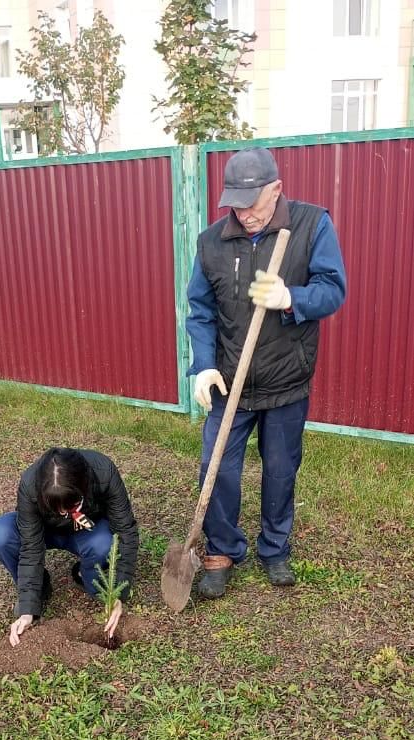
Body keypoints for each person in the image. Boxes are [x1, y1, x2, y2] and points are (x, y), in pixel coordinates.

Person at [186, 147, 346, 597]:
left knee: (279, 470)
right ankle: (221, 550)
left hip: (286, 380)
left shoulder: (312, 226)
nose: (245, 214)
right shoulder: (212, 241)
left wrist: (292, 297)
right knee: (217, 469)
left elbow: (333, 290)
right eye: (235, 203)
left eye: (252, 204)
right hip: (230, 381)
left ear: (276, 189)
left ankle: (274, 549)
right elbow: (200, 310)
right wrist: (203, 366)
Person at [0, 447, 138, 647]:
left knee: (105, 544)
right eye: (55, 507)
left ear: (83, 485)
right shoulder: (30, 484)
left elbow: (125, 531)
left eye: (70, 505)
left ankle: (89, 577)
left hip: (88, 531)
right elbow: (30, 547)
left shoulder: (103, 471)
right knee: (0, 534)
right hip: (46, 532)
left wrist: (118, 594)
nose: (63, 513)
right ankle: (40, 587)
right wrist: (27, 610)